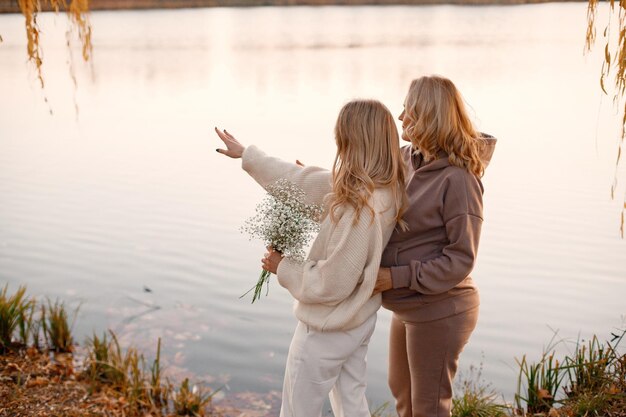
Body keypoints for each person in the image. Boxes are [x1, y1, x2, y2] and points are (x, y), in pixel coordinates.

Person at [214, 99, 407, 417]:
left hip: (326, 330)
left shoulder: (362, 206)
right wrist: (247, 154)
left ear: (353, 143)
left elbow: (333, 281)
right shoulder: (384, 191)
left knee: (296, 409)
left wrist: (283, 267)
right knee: (351, 404)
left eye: (342, 139)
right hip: (356, 322)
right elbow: (301, 183)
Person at [372, 75, 497, 417]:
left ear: (428, 116)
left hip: (442, 308)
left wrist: (394, 278)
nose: (400, 118)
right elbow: (364, 184)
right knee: (403, 396)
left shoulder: (459, 181)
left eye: (408, 110)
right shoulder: (406, 159)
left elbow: (460, 259)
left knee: (429, 407)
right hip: (409, 306)